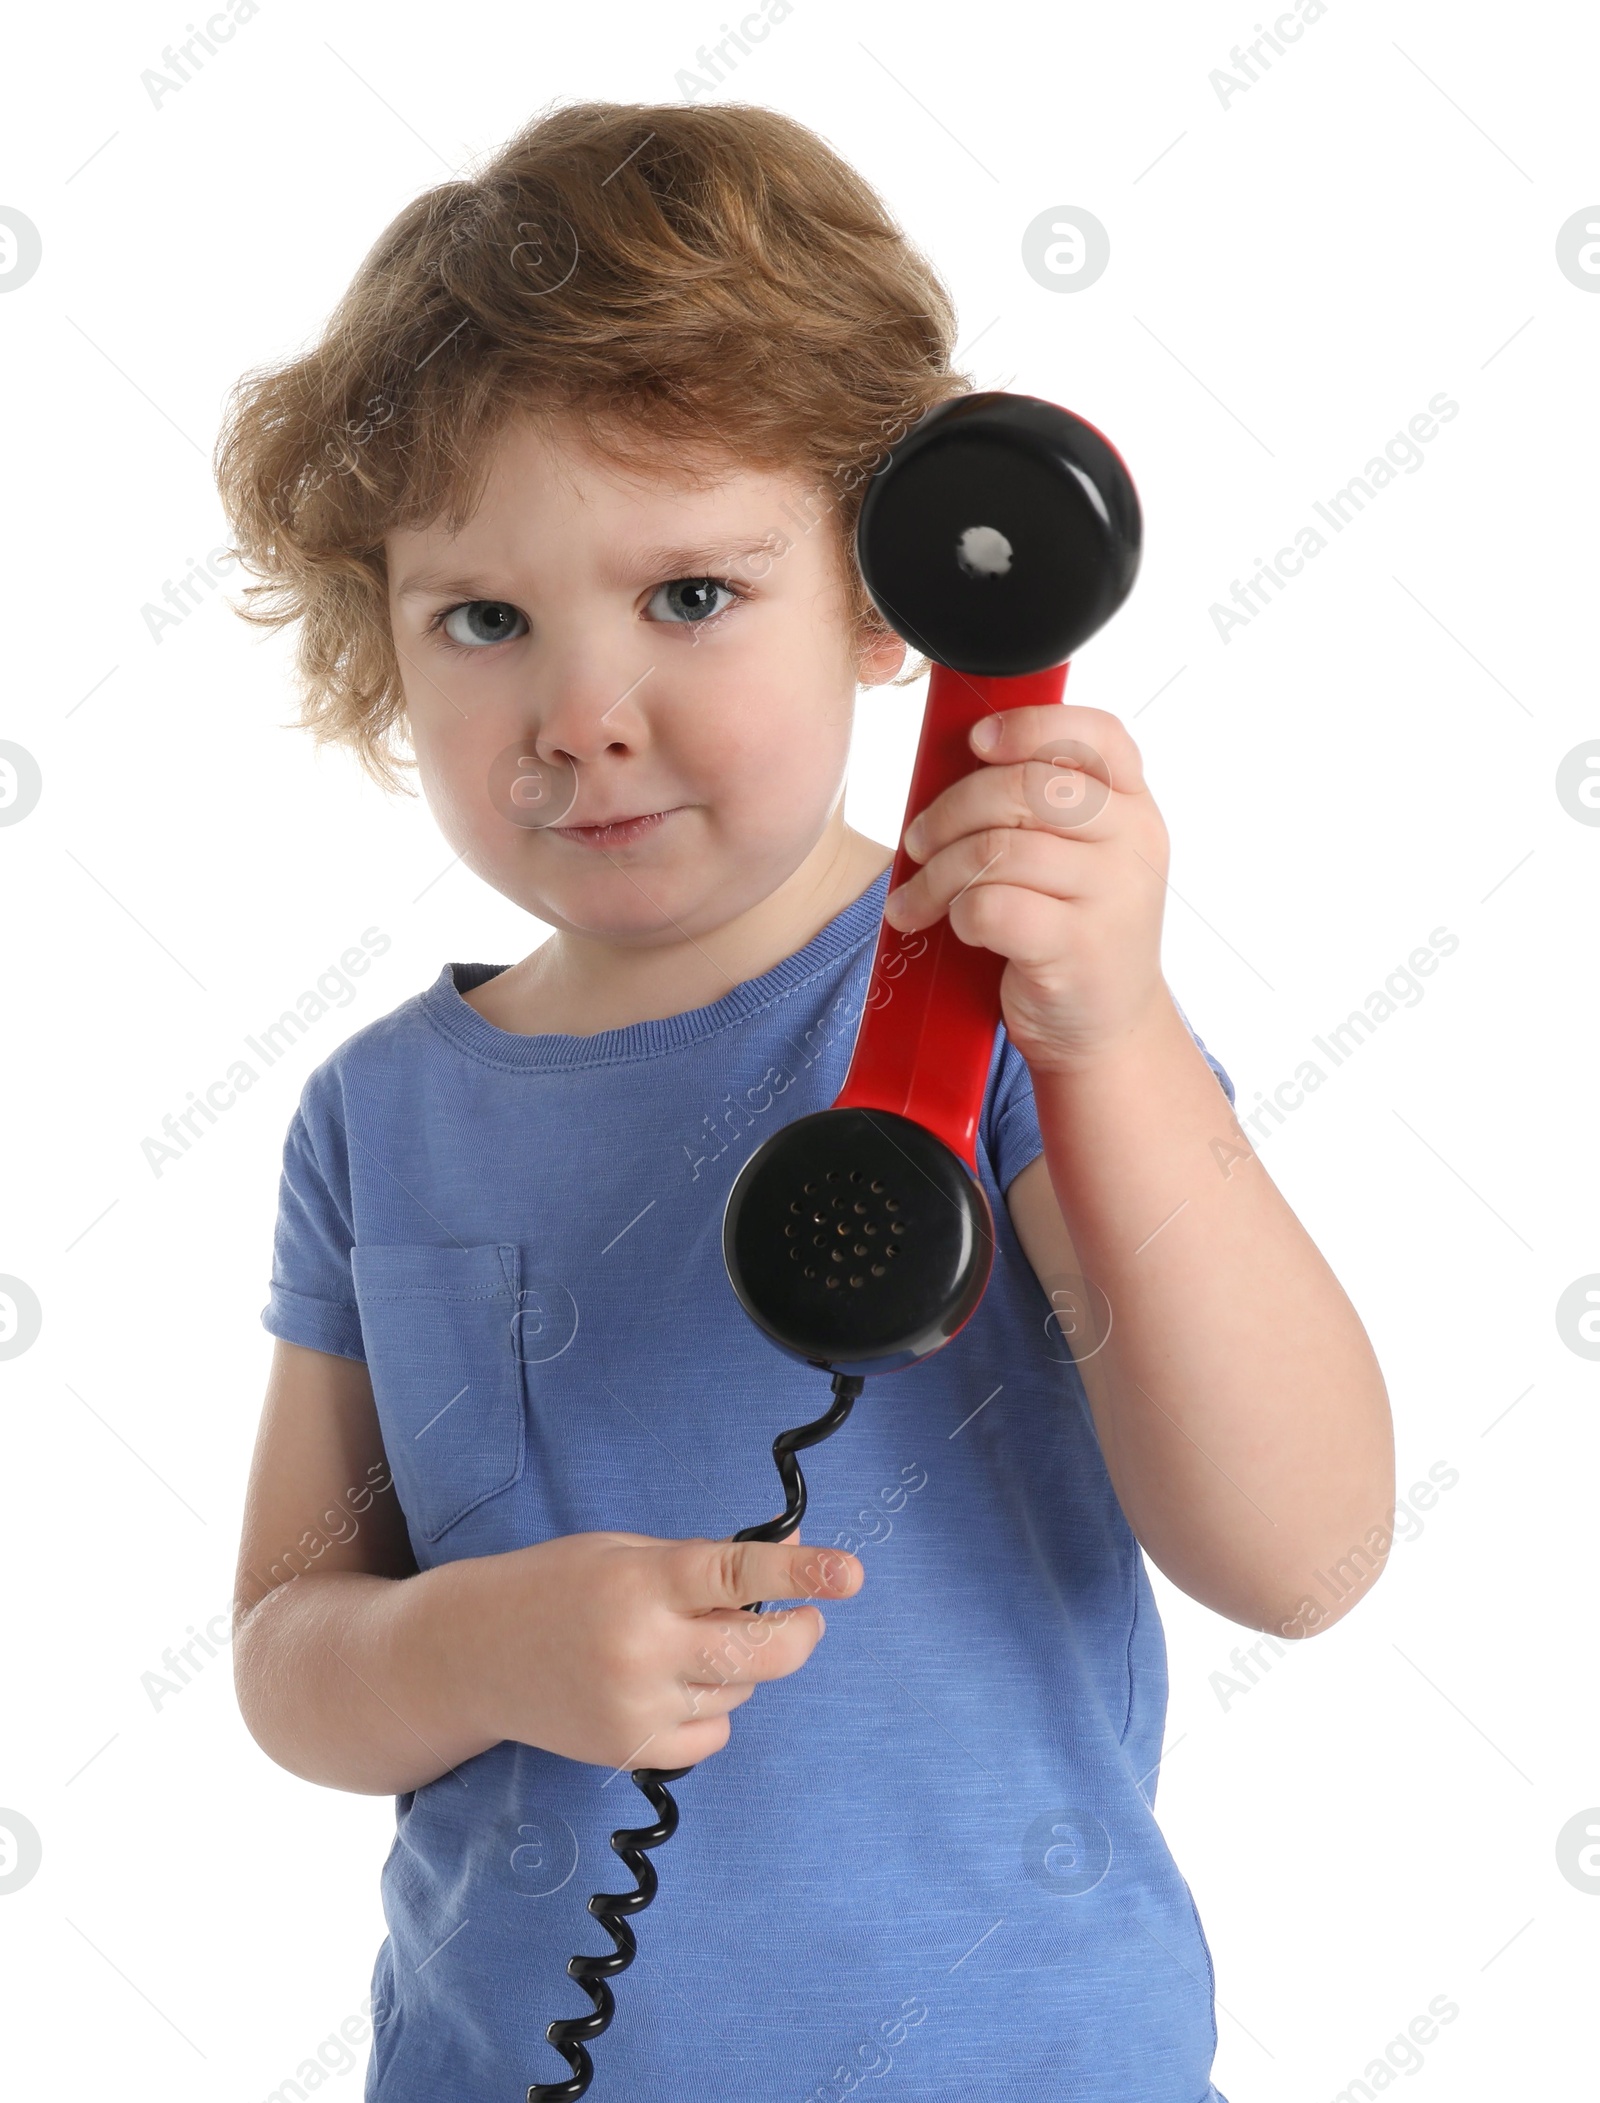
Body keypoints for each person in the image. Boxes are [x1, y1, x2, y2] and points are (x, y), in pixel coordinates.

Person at [218, 99, 1393, 2103]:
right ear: (381, 639)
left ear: (889, 593)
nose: (580, 710)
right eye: (481, 618)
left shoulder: (1015, 1012)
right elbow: (282, 1645)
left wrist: (1102, 1036)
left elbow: (1298, 1549)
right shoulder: (376, 1114)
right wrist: (481, 1646)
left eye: (686, 594)